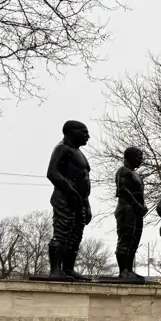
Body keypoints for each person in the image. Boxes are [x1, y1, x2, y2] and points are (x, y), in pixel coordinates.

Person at [45, 120, 92, 281]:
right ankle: (56, 270)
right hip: (64, 197)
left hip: (80, 201)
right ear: (71, 132)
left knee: (76, 235)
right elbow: (52, 173)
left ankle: (68, 268)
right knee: (62, 231)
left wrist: (86, 203)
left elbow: (83, 179)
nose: (88, 136)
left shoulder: (79, 153)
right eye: (84, 132)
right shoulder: (62, 148)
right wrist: (70, 192)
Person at [114, 146, 148, 282]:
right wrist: (136, 204)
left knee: (134, 241)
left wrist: (143, 206)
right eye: (138, 157)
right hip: (126, 209)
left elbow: (139, 194)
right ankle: (123, 271)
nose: (141, 160)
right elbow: (122, 190)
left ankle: (129, 269)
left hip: (137, 212)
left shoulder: (137, 175)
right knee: (126, 239)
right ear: (129, 156)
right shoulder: (123, 171)